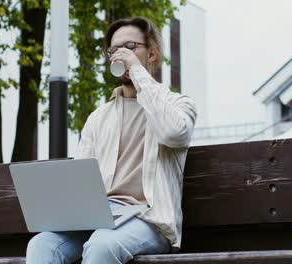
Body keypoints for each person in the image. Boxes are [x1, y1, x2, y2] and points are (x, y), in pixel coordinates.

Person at [26, 16, 197, 264]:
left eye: (130, 47)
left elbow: (173, 133)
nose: (120, 54)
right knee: (41, 245)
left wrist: (137, 72)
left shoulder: (179, 104)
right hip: (100, 218)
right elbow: (80, 179)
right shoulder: (98, 117)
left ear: (151, 54)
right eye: (115, 49)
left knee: (102, 245)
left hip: (149, 220)